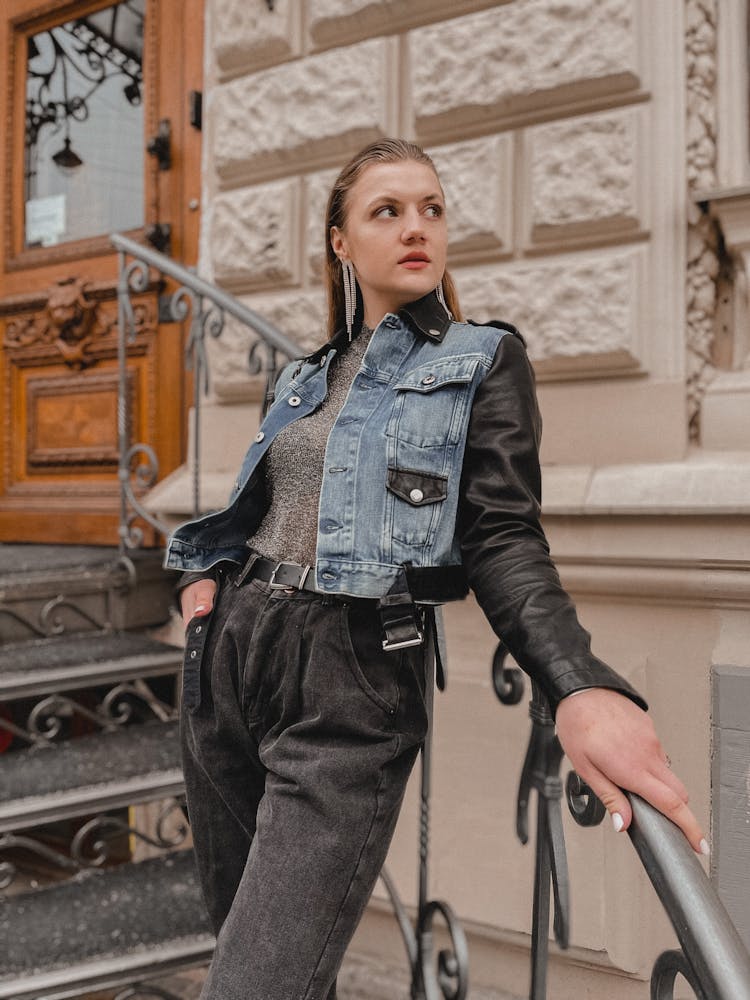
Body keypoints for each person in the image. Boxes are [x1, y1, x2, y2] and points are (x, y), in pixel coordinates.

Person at [166, 138, 706, 1000]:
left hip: (349, 682)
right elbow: (266, 504)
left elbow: (503, 535)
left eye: (432, 208)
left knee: (251, 985)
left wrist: (575, 682)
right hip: (228, 660)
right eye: (388, 211)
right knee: (249, 945)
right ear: (342, 243)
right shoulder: (305, 375)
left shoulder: (482, 359)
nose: (417, 228)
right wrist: (204, 581)